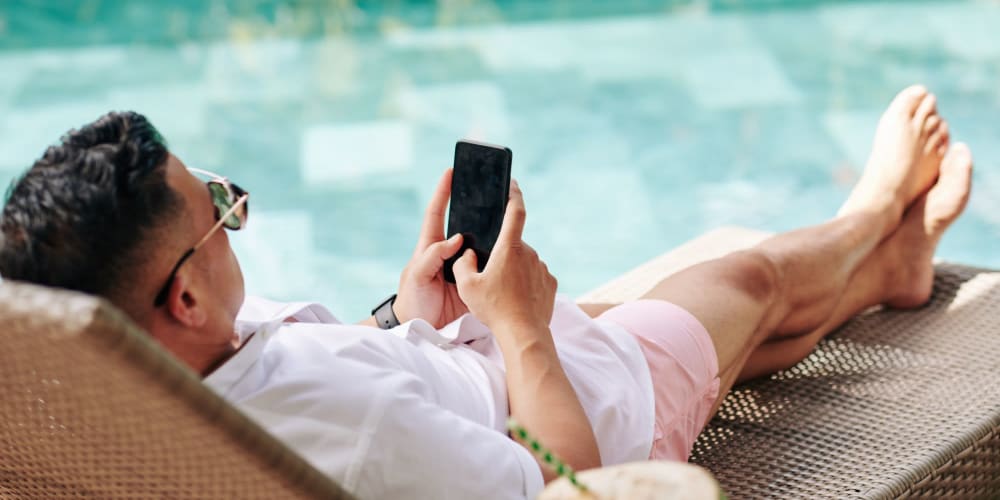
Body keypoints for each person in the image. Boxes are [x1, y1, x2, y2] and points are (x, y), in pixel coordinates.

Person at [0, 85, 972, 499]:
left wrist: (405, 316)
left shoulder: (150, 388)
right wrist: (522, 327)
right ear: (183, 299)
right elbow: (570, 483)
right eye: (220, 210)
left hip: (467, 372)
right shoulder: (361, 423)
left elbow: (334, 375)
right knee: (743, 279)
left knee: (720, 324)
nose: (230, 210)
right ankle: (875, 213)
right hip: (576, 409)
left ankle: (891, 268)